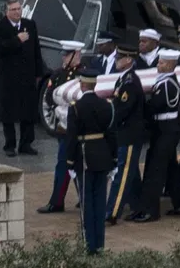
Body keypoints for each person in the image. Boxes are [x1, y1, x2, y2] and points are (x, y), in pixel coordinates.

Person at [127, 48, 180, 223]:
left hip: (166, 129)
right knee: (171, 170)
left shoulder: (167, 84)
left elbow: (154, 106)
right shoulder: (164, 82)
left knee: (154, 169)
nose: (158, 65)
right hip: (164, 129)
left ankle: (150, 210)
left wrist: (139, 107)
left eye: (161, 63)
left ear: (170, 65)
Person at [65, 66, 117, 256]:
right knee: (99, 202)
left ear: (82, 84)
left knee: (87, 205)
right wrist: (114, 159)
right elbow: (111, 134)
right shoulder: (107, 105)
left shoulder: (76, 107)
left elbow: (71, 138)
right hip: (103, 156)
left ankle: (89, 246)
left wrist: (69, 162)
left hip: (85, 158)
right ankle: (100, 245)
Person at [0, 0, 46, 157]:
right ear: (6, 12)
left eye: (19, 9)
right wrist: (17, 40)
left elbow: (36, 49)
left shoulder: (30, 25)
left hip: (27, 76)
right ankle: (10, 145)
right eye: (13, 9)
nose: (17, 12)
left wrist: (38, 72)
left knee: (28, 111)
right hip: (8, 77)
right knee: (8, 113)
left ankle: (26, 144)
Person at [38, 40, 85, 215]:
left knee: (74, 164)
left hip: (77, 127)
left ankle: (75, 199)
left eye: (67, 54)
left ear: (76, 55)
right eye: (64, 55)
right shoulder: (58, 74)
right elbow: (49, 97)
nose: (64, 58)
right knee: (65, 164)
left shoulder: (83, 74)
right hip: (63, 127)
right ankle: (61, 200)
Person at [106, 43, 147, 225]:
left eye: (119, 58)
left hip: (129, 135)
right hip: (125, 133)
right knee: (131, 173)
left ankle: (111, 212)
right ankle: (139, 205)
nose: (116, 60)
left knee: (122, 175)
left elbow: (121, 109)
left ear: (129, 60)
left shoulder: (129, 83)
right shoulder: (123, 79)